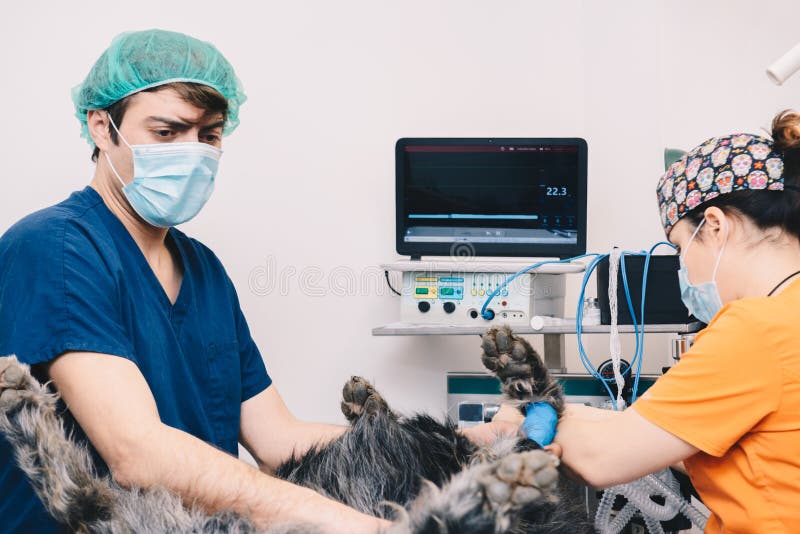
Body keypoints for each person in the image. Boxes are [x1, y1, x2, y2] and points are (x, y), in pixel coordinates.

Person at [0, 29, 521, 532]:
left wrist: (465, 441)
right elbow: (137, 453)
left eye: (209, 135)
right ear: (100, 126)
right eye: (167, 132)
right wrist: (354, 525)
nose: (193, 152)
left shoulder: (202, 269)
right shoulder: (56, 248)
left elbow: (279, 440)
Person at [551, 111, 800, 532]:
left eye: (679, 246)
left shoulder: (755, 329)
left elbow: (602, 458)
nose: (682, 267)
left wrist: (523, 421)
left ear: (716, 226)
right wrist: (569, 415)